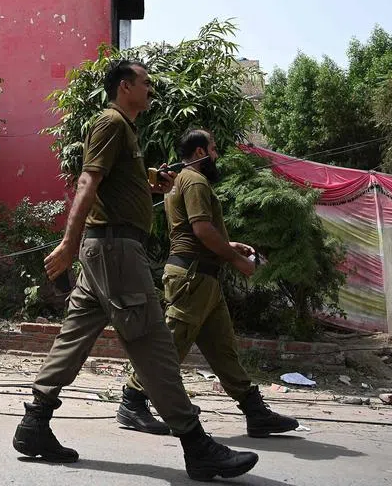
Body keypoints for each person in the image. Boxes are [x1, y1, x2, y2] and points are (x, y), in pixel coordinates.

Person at [12, 61, 259, 482]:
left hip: (105, 252)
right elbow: (89, 182)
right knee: (152, 342)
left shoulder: (125, 130)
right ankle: (196, 444)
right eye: (145, 82)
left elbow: (114, 181)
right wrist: (68, 244)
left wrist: (150, 182)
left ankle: (34, 423)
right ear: (125, 87)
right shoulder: (111, 122)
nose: (150, 88)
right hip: (115, 250)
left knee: (73, 338)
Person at [117, 129, 298, 438]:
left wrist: (230, 244)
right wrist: (237, 260)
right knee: (170, 345)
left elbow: (194, 230)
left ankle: (255, 412)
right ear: (200, 152)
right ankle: (133, 400)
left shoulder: (179, 181)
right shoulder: (195, 180)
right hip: (193, 278)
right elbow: (201, 230)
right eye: (213, 149)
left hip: (202, 277)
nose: (216, 155)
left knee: (223, 349)